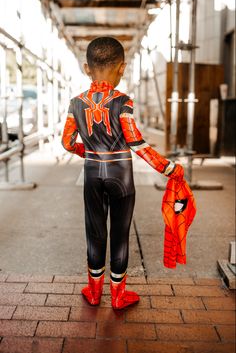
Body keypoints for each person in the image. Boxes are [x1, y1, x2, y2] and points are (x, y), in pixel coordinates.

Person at [61, 37, 184, 310]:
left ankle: (94, 292)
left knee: (94, 232)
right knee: (120, 233)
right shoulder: (124, 102)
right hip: (121, 174)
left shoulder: (75, 103)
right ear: (122, 68)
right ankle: (118, 295)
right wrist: (168, 167)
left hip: (92, 172)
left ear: (86, 68)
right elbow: (135, 142)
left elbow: (67, 142)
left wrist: (89, 152)